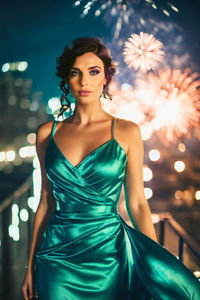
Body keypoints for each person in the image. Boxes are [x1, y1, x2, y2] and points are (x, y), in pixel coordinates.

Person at [21, 37, 200, 300]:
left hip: (111, 255)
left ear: (105, 77)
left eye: (93, 72)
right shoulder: (47, 133)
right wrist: (30, 266)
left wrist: (153, 264)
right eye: (76, 73)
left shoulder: (127, 131)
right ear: (66, 79)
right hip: (56, 257)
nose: (84, 82)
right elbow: (45, 201)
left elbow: (137, 203)